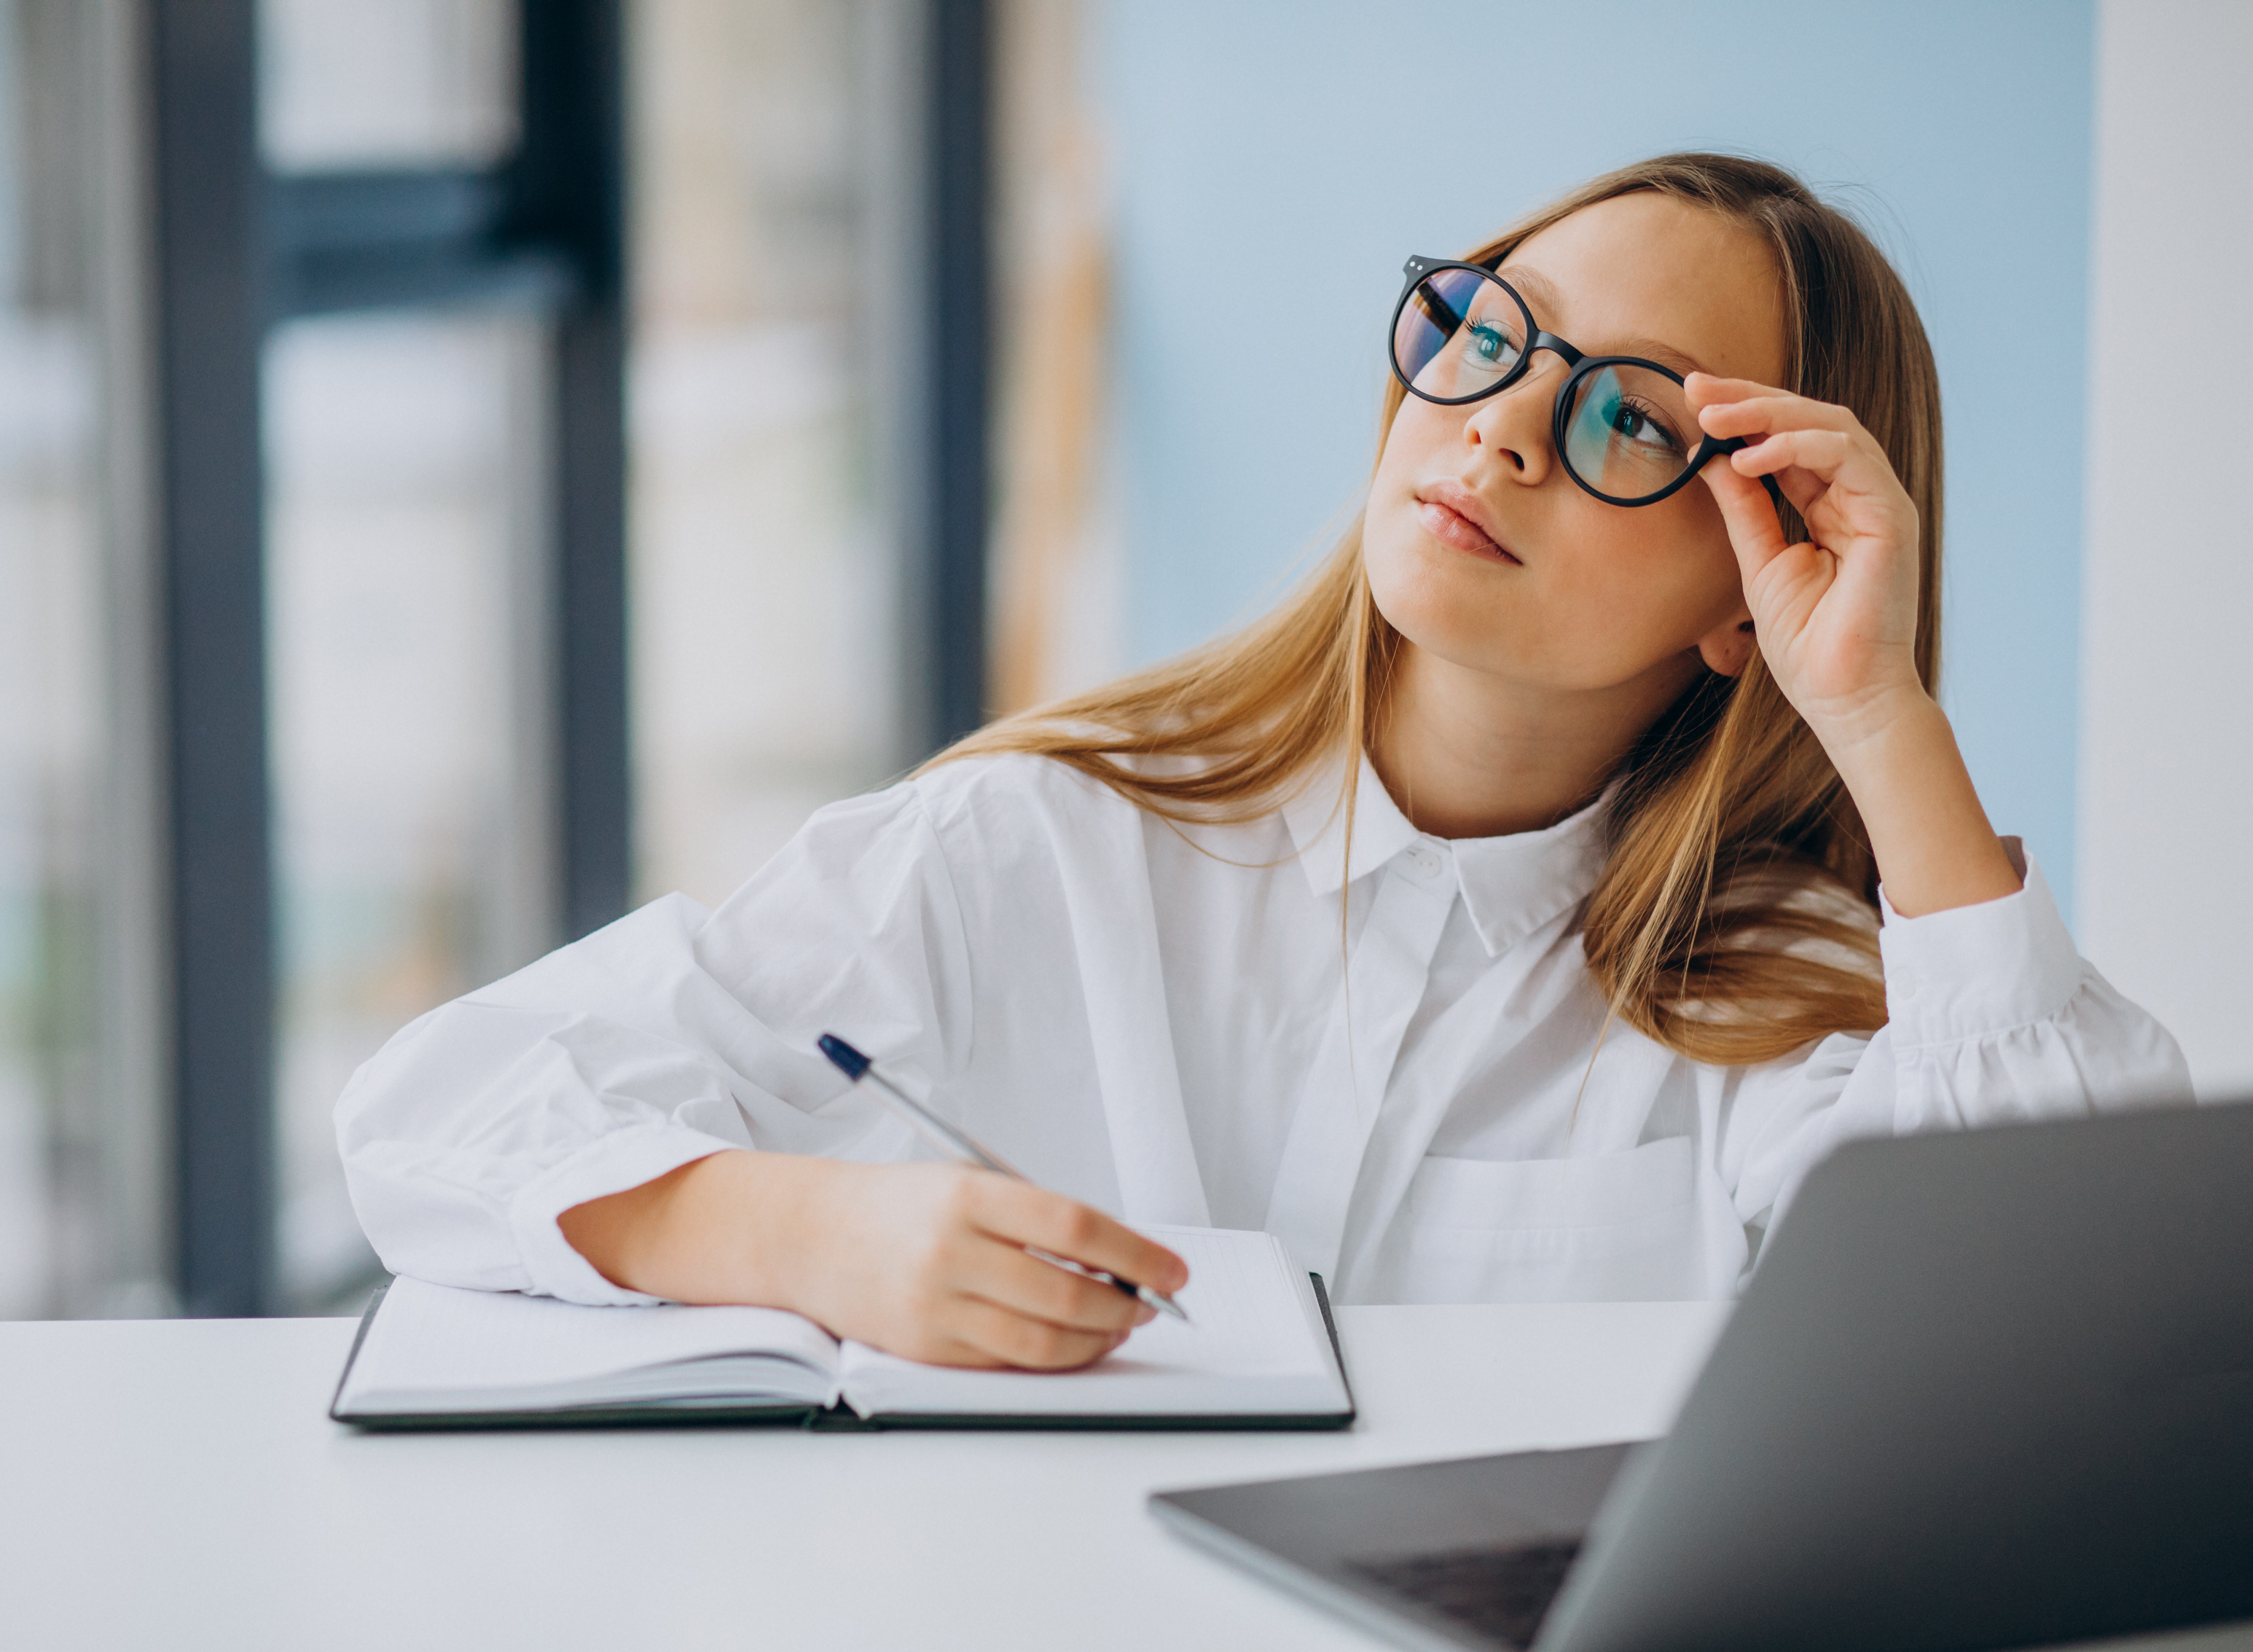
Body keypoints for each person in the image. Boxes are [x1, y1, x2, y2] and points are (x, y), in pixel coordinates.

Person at [335, 152, 2190, 1374]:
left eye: (1626, 412)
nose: (1500, 429)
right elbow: (433, 1110)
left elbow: (2067, 1336)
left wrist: (1875, 719)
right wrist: (802, 1231)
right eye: (1486, 332)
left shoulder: (1776, 996)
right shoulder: (1035, 847)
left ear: (1750, 582)